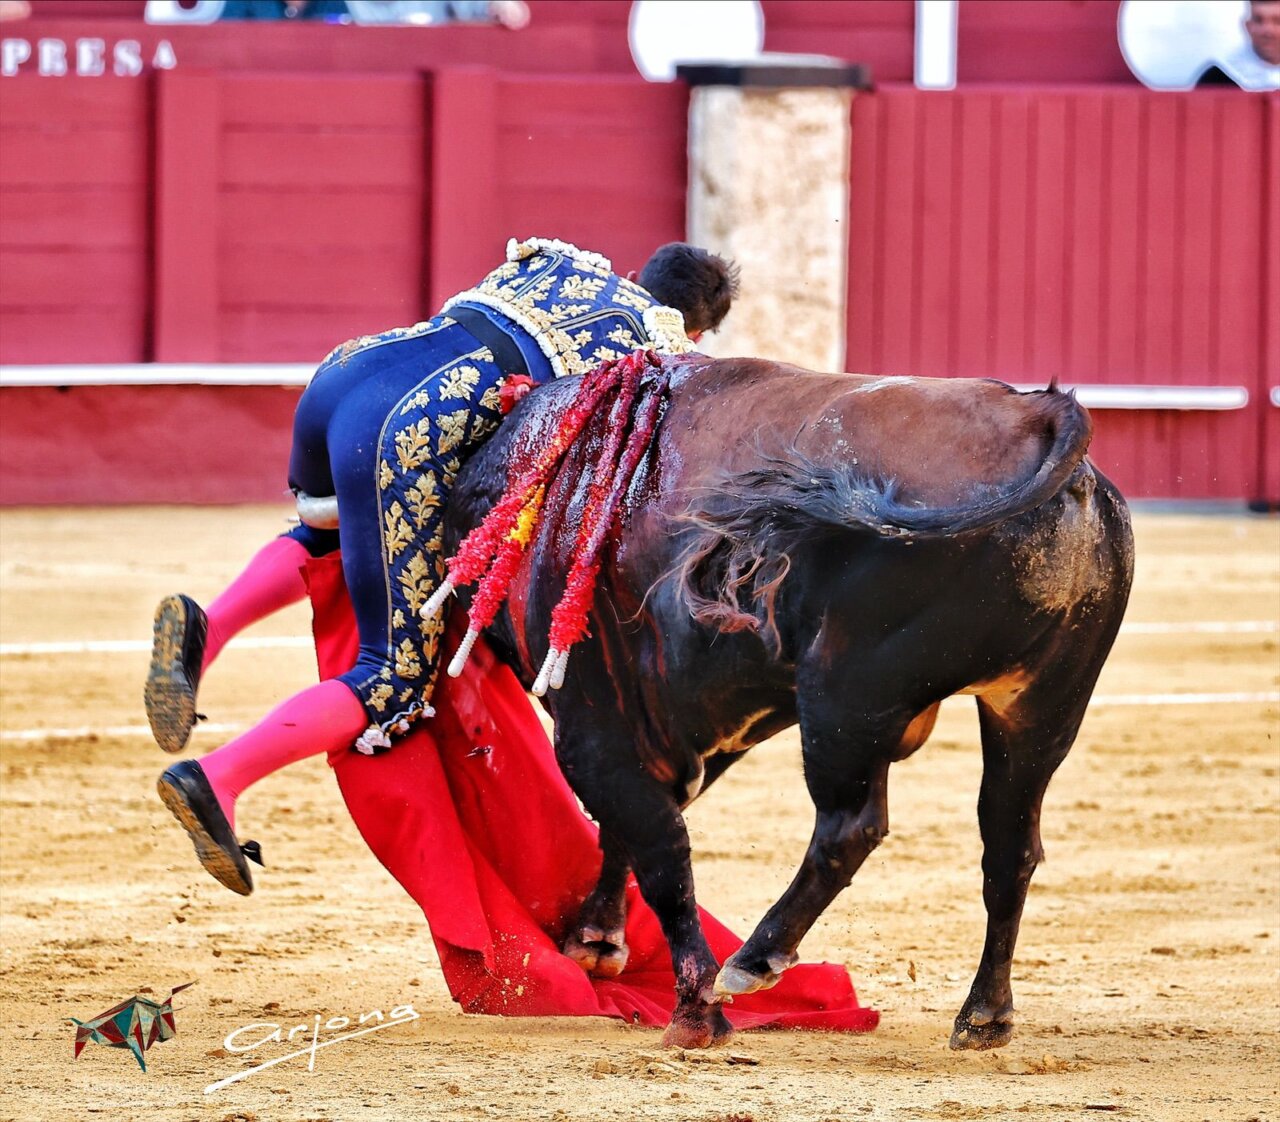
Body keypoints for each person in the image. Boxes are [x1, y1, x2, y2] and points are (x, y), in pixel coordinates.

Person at [148, 237, 738, 895]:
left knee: (326, 533)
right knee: (392, 677)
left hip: (347, 375)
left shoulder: (563, 264)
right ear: (696, 327)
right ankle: (219, 779)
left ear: (639, 273)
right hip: (407, 430)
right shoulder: (661, 352)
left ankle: (208, 632)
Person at [1197, 0, 1280, 89]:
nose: (1268, 31)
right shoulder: (1217, 77)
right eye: (1258, 20)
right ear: (1247, 26)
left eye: (1277, 21)